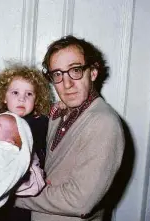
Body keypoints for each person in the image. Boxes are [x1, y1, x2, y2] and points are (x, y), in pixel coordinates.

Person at [13, 35, 125, 221]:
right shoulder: (61, 113)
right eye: (57, 74)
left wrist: (11, 195)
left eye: (75, 70)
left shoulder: (104, 123)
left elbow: (79, 201)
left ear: (93, 72)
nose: (67, 84)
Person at [0, 65, 52, 221]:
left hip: (24, 190)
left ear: (36, 99)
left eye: (29, 94)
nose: (22, 98)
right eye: (15, 92)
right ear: (4, 97)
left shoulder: (39, 123)